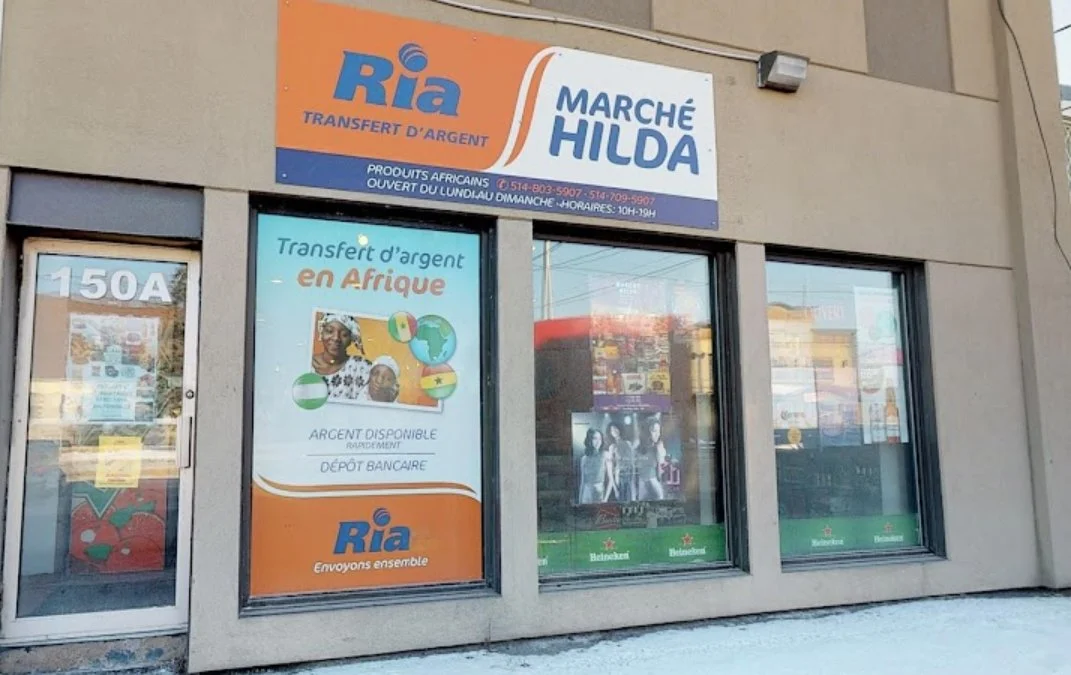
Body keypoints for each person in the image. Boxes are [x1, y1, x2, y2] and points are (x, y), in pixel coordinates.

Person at [312, 313, 371, 400]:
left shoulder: (361, 368)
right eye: (329, 331)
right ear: (322, 332)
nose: (336, 338)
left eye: (344, 334)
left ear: (351, 339)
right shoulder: (306, 364)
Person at [635, 416, 667, 501]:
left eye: (659, 431)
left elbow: (661, 467)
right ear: (647, 432)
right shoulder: (638, 448)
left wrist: (660, 451)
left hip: (653, 484)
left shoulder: (658, 447)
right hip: (642, 487)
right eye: (654, 431)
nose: (658, 434)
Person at [578, 429, 612, 504]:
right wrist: (579, 502)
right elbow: (582, 482)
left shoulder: (606, 455)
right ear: (590, 440)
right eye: (595, 438)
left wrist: (605, 499)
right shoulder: (584, 459)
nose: (598, 441)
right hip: (586, 495)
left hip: (599, 494)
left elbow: (611, 479)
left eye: (600, 439)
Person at [604, 420, 632, 502]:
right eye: (612, 430)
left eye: (615, 429)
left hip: (629, 474)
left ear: (619, 429)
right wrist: (615, 489)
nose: (614, 431)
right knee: (621, 500)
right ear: (610, 433)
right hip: (619, 475)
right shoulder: (612, 447)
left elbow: (632, 462)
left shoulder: (628, 443)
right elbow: (610, 470)